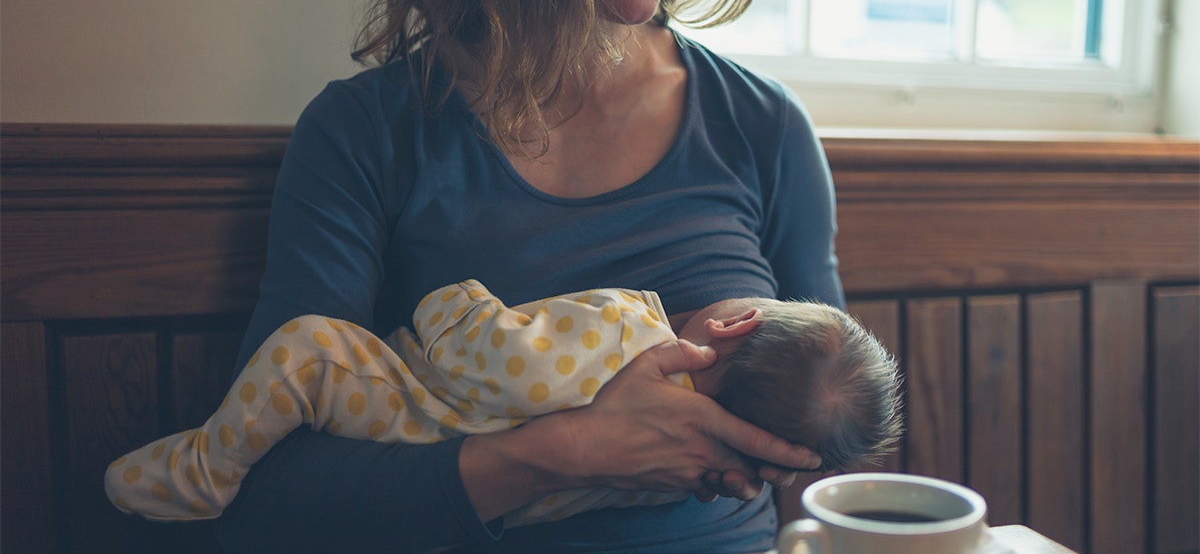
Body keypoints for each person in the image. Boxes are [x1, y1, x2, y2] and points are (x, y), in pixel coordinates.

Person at [211, 0, 847, 551]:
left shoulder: (764, 125)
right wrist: (572, 453)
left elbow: (827, 421)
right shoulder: (365, 130)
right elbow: (270, 490)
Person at [106, 280, 901, 527]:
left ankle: (205, 466)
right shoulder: (679, 469)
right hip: (464, 505)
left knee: (307, 348)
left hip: (401, 406)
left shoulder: (629, 327)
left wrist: (453, 301)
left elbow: (488, 355)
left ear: (732, 322)